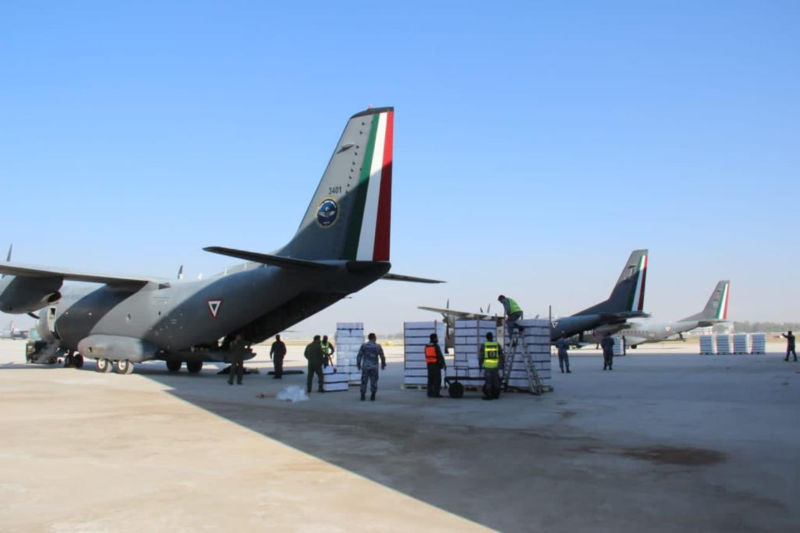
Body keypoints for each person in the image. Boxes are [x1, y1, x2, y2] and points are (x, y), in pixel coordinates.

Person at [356, 332, 386, 401]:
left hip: (365, 366)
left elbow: (359, 355)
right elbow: (382, 356)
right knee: (374, 381)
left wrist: (358, 364)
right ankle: (373, 395)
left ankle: (362, 395)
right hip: (374, 367)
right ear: (374, 338)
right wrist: (383, 364)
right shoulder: (377, 346)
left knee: (364, 381)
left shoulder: (364, 346)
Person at [478, 332, 503, 400]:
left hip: (488, 367)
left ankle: (489, 395)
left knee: (488, 381)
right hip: (495, 366)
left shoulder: (484, 345)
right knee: (496, 381)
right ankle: (496, 394)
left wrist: (480, 365)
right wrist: (501, 365)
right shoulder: (497, 344)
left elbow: (481, 356)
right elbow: (501, 355)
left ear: (486, 337)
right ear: (492, 337)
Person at [425, 333, 446, 398]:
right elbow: (440, 356)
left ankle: (429, 393)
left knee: (430, 379)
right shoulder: (436, 346)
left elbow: (426, 355)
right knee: (437, 380)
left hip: (429, 365)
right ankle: (436, 394)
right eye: (436, 338)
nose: (437, 339)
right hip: (435, 365)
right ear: (434, 338)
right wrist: (443, 364)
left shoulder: (427, 346)